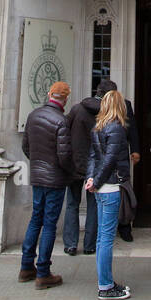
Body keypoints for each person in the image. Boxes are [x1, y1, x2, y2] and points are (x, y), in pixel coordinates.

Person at [19, 81, 74, 289]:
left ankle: (26, 266)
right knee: (49, 223)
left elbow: (26, 146)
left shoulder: (33, 116)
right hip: (55, 179)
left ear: (50, 94)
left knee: (36, 218)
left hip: (38, 177)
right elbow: (64, 155)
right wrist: (69, 171)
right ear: (65, 98)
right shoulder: (61, 120)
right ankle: (43, 271)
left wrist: (38, 163)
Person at [85, 89, 132, 299]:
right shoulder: (116, 128)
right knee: (106, 239)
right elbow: (110, 159)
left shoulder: (98, 127)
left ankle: (105, 280)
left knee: (101, 238)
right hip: (110, 186)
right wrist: (97, 180)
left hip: (100, 187)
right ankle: (105, 286)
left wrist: (91, 179)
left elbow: (93, 157)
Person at [97, 78, 141, 241]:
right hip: (103, 156)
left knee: (123, 191)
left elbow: (132, 128)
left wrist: (135, 149)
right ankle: (102, 231)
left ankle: (124, 227)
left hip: (120, 156)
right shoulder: (95, 106)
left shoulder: (126, 105)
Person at [63, 88, 103, 255]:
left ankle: (71, 244)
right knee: (93, 205)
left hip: (75, 162)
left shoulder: (77, 109)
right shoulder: (105, 113)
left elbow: (64, 131)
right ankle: (90, 245)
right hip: (94, 164)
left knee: (72, 204)